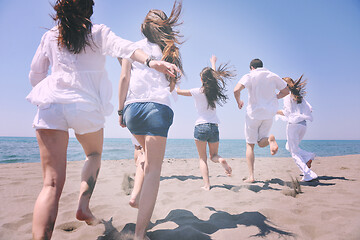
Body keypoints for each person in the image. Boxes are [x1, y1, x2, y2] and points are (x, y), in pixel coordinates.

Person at [26, 1, 179, 239]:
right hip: (86, 107)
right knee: (94, 155)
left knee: (51, 185)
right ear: (89, 10)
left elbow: (35, 74)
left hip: (51, 105)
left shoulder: (50, 36)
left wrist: (51, 93)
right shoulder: (98, 32)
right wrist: (151, 62)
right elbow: (125, 48)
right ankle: (85, 205)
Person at [117, 1, 183, 239]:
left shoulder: (131, 48)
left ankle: (135, 196)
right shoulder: (170, 51)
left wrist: (120, 110)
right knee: (154, 169)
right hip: (157, 109)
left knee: (144, 155)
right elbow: (173, 84)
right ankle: (140, 233)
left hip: (133, 110)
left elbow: (124, 78)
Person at [176, 55, 234, 190]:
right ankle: (220, 160)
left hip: (201, 126)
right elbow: (214, 78)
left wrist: (176, 80)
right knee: (213, 155)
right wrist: (213, 63)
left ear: (201, 79)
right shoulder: (215, 91)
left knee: (202, 159)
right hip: (214, 126)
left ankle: (207, 185)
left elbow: (178, 92)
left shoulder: (197, 91)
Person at [233, 58, 289, 183]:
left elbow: (236, 90)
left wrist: (239, 101)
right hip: (269, 114)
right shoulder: (273, 75)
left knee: (250, 145)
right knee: (261, 142)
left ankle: (251, 176)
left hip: (253, 114)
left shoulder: (250, 75)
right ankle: (270, 139)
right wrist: (275, 97)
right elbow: (286, 91)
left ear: (252, 67)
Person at [277, 75, 317, 182]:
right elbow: (310, 109)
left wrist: (275, 111)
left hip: (293, 126)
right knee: (289, 147)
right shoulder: (299, 96)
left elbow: (287, 112)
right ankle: (308, 156)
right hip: (303, 125)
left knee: (293, 152)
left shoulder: (287, 97)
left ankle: (308, 174)